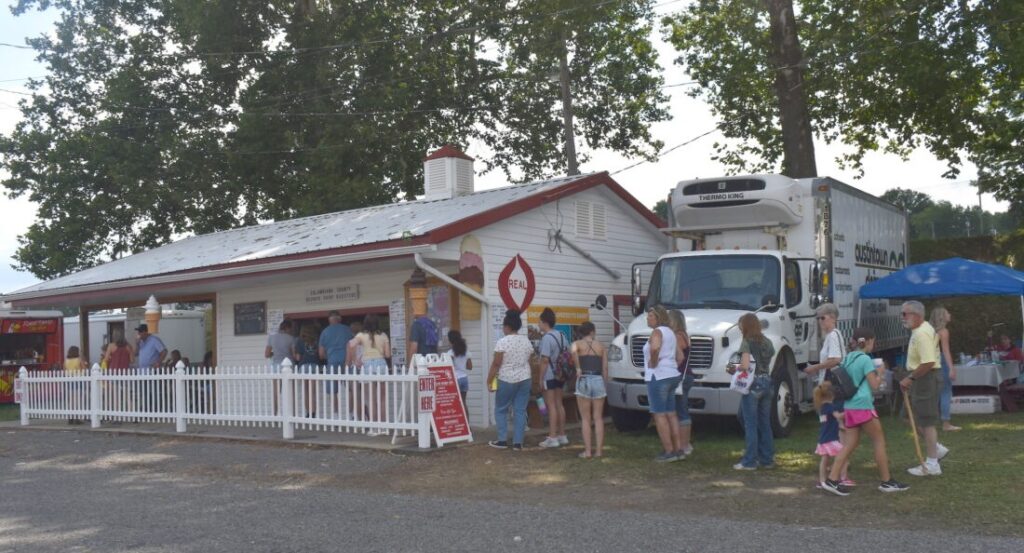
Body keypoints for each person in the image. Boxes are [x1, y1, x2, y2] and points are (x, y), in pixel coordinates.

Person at [822, 328, 909, 495]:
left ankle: (832, 479)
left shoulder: (848, 358)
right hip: (863, 405)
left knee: (849, 445)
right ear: (868, 341)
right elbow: (874, 386)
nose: (873, 345)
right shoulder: (865, 360)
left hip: (849, 406)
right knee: (878, 441)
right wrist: (881, 373)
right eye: (873, 342)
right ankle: (886, 481)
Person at [802, 303, 852, 483]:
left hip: (833, 387)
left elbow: (836, 359)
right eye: (818, 318)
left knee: (837, 428)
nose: (820, 321)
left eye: (822, 318)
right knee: (832, 426)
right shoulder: (830, 336)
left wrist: (815, 368)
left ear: (832, 317)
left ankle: (841, 472)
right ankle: (837, 469)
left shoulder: (833, 335)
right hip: (829, 386)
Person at [899, 300, 950, 477]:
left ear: (917, 315)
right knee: (907, 416)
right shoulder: (920, 330)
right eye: (902, 314)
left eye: (905, 314)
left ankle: (932, 463)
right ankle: (935, 448)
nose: (902, 318)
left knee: (926, 421)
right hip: (919, 377)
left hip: (925, 378)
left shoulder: (922, 334)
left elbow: (928, 361)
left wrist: (910, 378)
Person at [727, 313, 775, 470]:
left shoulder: (746, 342)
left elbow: (746, 365)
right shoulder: (767, 341)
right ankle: (767, 458)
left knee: (750, 423)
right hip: (767, 381)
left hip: (753, 384)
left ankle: (750, 461)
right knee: (764, 422)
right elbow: (771, 354)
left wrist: (733, 367)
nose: (740, 328)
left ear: (746, 326)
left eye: (741, 325)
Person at [486, 309, 533, 450]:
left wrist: (489, 380)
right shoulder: (526, 341)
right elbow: (529, 359)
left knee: (501, 409)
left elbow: (496, 364)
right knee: (520, 410)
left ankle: (502, 441)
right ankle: (518, 443)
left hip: (506, 379)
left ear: (507, 327)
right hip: (525, 378)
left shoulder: (502, 342)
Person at [643, 305, 682, 462]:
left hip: (658, 376)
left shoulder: (657, 332)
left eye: (650, 316)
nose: (647, 318)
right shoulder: (671, 333)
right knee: (671, 413)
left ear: (658, 318)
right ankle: (678, 449)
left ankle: (668, 451)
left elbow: (655, 348)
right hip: (672, 374)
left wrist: (653, 363)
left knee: (659, 414)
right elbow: (680, 357)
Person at [571, 321, 607, 459]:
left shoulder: (577, 344)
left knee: (585, 419)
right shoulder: (601, 346)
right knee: (598, 417)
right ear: (592, 331)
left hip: (584, 379)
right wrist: (605, 384)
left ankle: (587, 451)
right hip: (598, 379)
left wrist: (578, 367)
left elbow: (573, 351)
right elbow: (605, 368)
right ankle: (598, 451)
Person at [353, 314, 391, 435]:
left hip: (367, 365)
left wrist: (355, 359)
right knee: (383, 399)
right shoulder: (384, 335)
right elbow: (388, 354)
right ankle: (384, 427)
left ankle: (373, 428)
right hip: (381, 364)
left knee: (371, 399)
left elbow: (351, 344)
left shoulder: (361, 335)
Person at [538, 307, 569, 448]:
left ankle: (552, 437)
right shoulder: (562, 335)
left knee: (551, 406)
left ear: (545, 322)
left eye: (540, 322)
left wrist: (540, 378)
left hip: (549, 374)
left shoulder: (546, 338)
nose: (539, 324)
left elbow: (544, 360)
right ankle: (562, 435)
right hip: (561, 373)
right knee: (559, 404)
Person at [667, 310, 694, 459]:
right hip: (686, 375)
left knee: (681, 410)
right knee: (681, 410)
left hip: (681, 376)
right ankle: (685, 443)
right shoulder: (684, 335)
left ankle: (684, 445)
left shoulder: (677, 336)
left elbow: (678, 356)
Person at [930, 307, 960, 432]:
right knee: (946, 392)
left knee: (934, 393)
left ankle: (931, 421)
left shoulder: (930, 331)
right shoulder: (944, 331)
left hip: (931, 361)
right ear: (942, 316)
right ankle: (946, 423)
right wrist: (951, 368)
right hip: (941, 360)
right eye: (947, 313)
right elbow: (946, 351)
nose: (950, 314)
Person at [813, 382, 844, 489]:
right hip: (831, 438)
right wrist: (850, 411)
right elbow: (838, 416)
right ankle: (836, 477)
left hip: (824, 437)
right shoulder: (830, 407)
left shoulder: (822, 408)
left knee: (824, 460)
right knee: (842, 455)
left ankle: (822, 481)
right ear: (832, 395)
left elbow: (830, 421)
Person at [265, 320, 294, 415]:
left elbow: (267, 354)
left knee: (276, 392)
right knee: (289, 391)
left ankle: (275, 414)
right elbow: (293, 354)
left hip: (276, 365)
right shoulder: (291, 338)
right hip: (288, 367)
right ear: (287, 328)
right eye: (291, 329)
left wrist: (275, 353)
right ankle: (290, 414)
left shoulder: (271, 338)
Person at [135, 324, 167, 413]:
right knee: (144, 393)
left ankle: (156, 410)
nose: (139, 334)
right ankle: (147, 410)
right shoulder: (141, 342)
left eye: (140, 332)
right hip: (142, 372)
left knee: (154, 391)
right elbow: (136, 354)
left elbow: (164, 351)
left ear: (145, 332)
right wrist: (137, 344)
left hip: (152, 370)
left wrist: (158, 362)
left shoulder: (154, 340)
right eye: (138, 332)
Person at [295, 322, 322, 417]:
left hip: (304, 366)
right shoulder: (317, 340)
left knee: (306, 392)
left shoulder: (299, 340)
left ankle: (308, 412)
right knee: (313, 392)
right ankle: (314, 412)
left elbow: (298, 358)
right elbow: (320, 355)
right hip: (315, 366)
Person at [448, 330, 472, 406]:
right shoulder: (466, 351)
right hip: (464, 379)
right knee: (463, 403)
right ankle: (466, 418)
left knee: (455, 404)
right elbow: (470, 367)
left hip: (455, 379)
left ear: (450, 340)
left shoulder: (450, 353)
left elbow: (449, 367)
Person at [64, 345, 85, 424]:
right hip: (78, 380)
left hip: (69, 380)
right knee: (78, 400)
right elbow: (84, 369)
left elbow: (64, 370)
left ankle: (71, 416)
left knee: (71, 400)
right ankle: (77, 417)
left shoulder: (66, 361)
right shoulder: (78, 360)